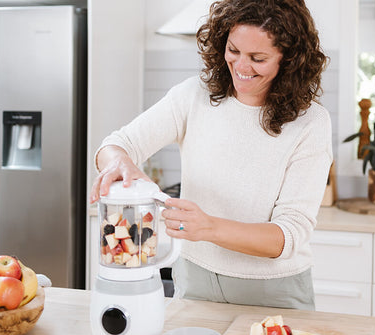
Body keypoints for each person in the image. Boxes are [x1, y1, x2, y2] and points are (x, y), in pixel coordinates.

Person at [90, 0, 332, 310]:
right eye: (234, 51)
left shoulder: (310, 122)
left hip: (273, 291)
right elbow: (116, 144)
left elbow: (287, 236)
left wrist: (209, 228)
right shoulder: (193, 96)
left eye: (258, 58)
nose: (242, 67)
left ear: (289, 60)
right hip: (194, 280)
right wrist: (119, 161)